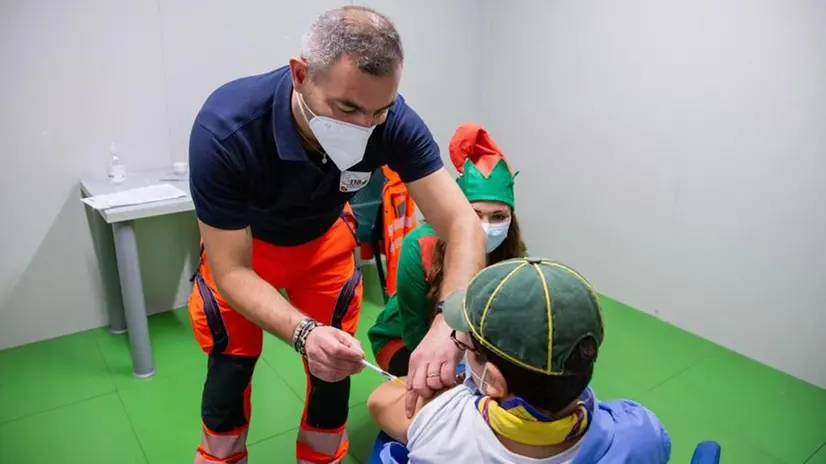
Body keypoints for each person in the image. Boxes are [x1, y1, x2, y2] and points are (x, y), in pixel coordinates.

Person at [187, 6, 484, 463]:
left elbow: (462, 223)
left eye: (378, 111)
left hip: (322, 247)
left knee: (333, 367)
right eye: (346, 108)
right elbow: (229, 268)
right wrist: (302, 331)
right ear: (301, 75)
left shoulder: (393, 123)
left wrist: (447, 325)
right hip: (245, 254)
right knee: (231, 365)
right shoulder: (227, 129)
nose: (363, 127)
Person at [367, 257, 672, 463]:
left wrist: (443, 394)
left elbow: (380, 401)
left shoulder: (444, 424)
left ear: (495, 382)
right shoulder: (643, 433)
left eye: (465, 345)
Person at [368, 123, 526, 377]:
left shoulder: (510, 255)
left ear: (511, 219)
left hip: (466, 338)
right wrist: (457, 365)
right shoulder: (419, 247)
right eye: (475, 215)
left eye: (498, 217)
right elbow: (414, 331)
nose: (485, 227)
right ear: (458, 214)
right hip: (404, 339)